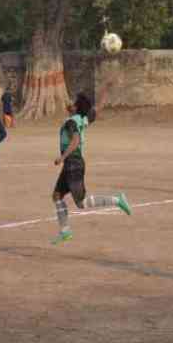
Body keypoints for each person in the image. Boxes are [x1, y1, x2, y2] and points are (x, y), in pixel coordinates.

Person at [52, 93, 132, 244]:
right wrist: (105, 92)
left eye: (73, 102)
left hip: (73, 164)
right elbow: (96, 109)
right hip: (71, 165)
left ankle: (117, 200)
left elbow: (75, 141)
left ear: (76, 108)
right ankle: (65, 231)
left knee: (81, 203)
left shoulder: (71, 122)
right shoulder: (82, 119)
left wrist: (62, 158)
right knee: (57, 196)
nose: (70, 103)